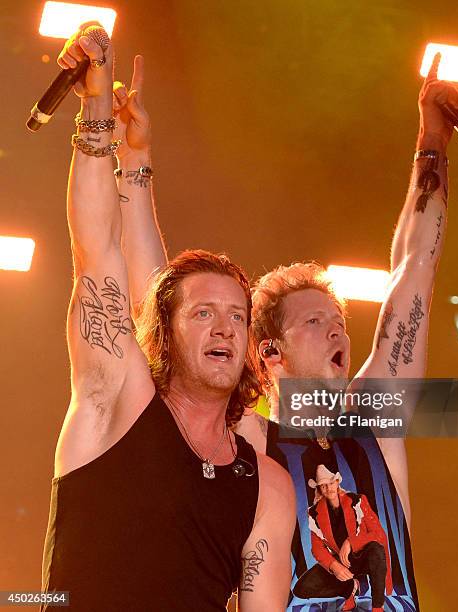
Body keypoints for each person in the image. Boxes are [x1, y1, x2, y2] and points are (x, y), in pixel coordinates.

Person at [110, 45, 458, 610]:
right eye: (316, 322)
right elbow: (161, 303)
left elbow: (414, 274)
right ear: (269, 354)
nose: (338, 334)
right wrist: (136, 164)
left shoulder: (376, 420)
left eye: (341, 323)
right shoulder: (249, 440)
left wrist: (432, 144)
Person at [40, 24, 295, 612]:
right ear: (163, 331)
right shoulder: (118, 400)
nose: (226, 326)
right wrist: (98, 111)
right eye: (204, 312)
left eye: (238, 315)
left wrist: (139, 160)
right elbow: (96, 251)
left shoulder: (266, 485)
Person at [294, 465, 392, 611]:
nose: (328, 488)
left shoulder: (357, 501)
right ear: (319, 489)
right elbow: (317, 548)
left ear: (338, 482)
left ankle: (378, 607)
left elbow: (379, 534)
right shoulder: (314, 513)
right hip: (342, 561)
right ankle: (349, 589)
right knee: (301, 589)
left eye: (331, 483)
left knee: (376, 549)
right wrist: (334, 566)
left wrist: (350, 542)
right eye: (323, 486)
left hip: (365, 556)